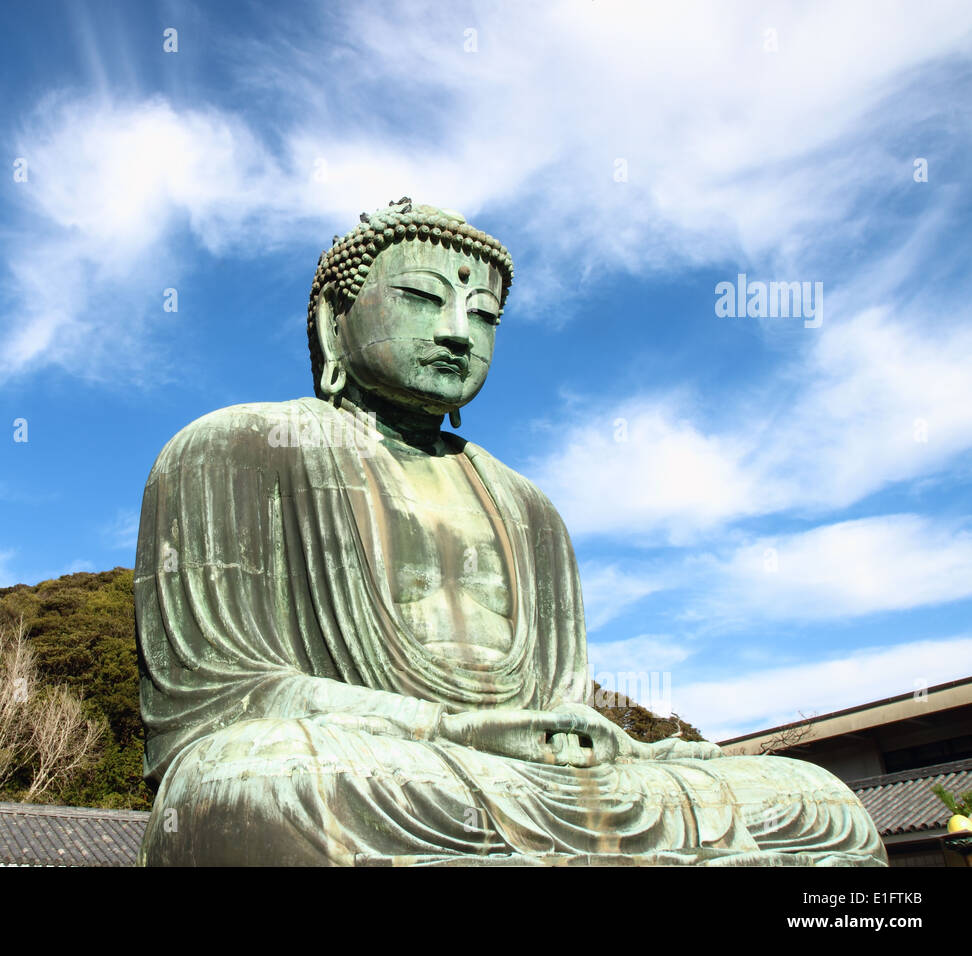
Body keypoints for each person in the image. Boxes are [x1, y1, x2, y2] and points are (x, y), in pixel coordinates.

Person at [133, 200, 886, 866]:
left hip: (526, 785)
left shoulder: (528, 505)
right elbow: (221, 705)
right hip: (384, 768)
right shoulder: (232, 448)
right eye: (423, 300)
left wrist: (598, 742)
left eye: (485, 316)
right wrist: (451, 729)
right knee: (252, 782)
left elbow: (559, 701)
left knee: (818, 800)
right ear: (337, 318)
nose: (459, 334)